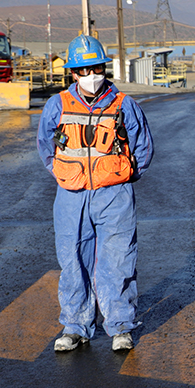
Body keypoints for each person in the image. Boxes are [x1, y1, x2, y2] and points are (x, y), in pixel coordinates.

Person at [36, 35, 154, 353]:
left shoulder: (123, 104)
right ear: (73, 73)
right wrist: (64, 172)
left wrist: (124, 176)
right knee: (73, 259)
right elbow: (46, 147)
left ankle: (120, 326)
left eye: (97, 67)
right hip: (71, 195)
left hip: (114, 193)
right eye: (84, 69)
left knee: (118, 260)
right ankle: (75, 327)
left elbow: (143, 148)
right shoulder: (57, 105)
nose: (92, 75)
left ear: (105, 68)